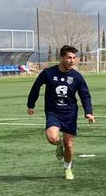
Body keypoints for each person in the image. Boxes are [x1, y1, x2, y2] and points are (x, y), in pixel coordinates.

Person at [27, 45, 95, 180]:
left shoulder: (77, 77)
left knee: (69, 145)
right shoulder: (48, 73)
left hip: (70, 114)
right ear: (62, 57)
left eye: (74, 58)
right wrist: (31, 104)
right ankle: (58, 145)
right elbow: (36, 87)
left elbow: (85, 95)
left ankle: (67, 168)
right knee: (52, 138)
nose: (72, 61)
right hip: (53, 112)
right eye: (69, 57)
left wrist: (89, 112)